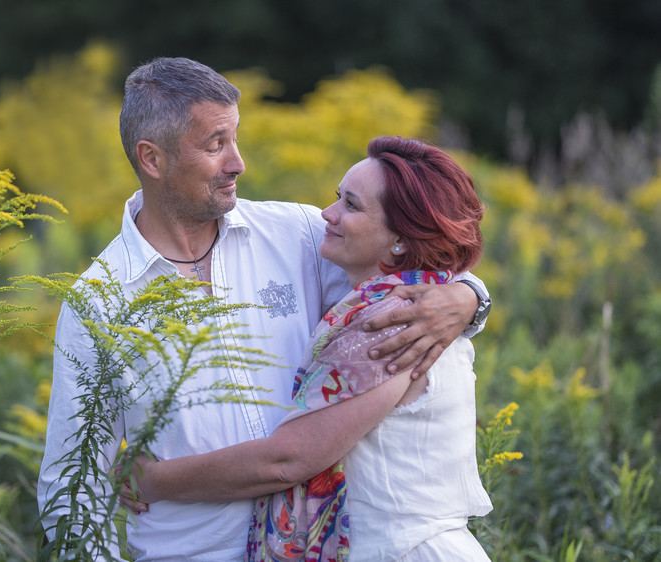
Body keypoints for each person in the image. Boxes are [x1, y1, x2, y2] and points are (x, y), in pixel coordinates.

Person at [38, 57, 491, 561]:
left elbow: (410, 259)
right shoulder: (100, 302)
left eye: (235, 138)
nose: (238, 162)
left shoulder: (296, 234)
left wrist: (468, 297)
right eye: (216, 144)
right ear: (153, 159)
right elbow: (72, 489)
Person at [121, 135, 493, 561]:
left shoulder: (392, 321)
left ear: (401, 241)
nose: (328, 214)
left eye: (351, 205)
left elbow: (288, 459)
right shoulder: (420, 298)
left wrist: (149, 479)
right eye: (338, 197)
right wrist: (470, 295)